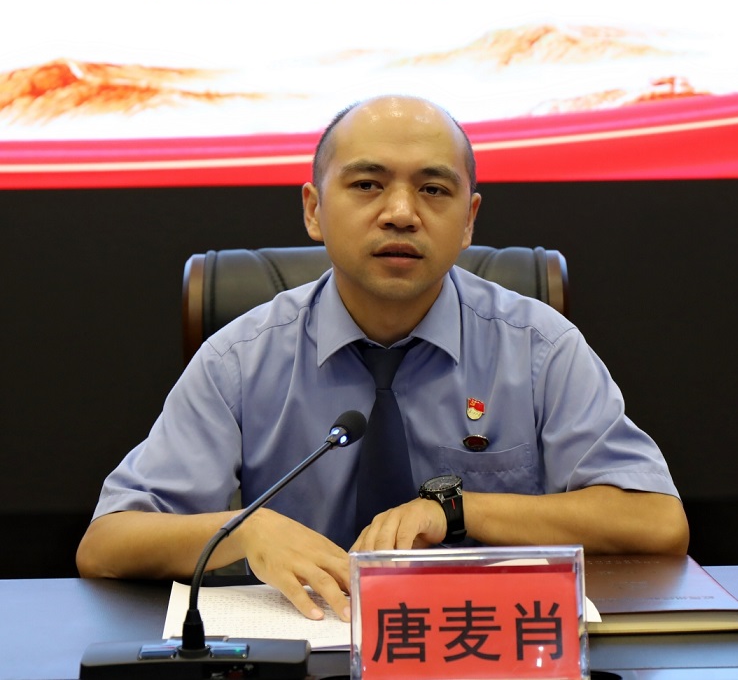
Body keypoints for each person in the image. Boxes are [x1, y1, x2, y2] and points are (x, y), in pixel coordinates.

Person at [77, 95, 689, 623]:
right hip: (308, 644)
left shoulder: (537, 347)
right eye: (367, 185)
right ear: (314, 209)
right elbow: (105, 544)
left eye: (433, 189)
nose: (400, 212)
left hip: (482, 648)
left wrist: (458, 511)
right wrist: (244, 530)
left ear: (469, 219)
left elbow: (657, 523)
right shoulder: (241, 358)